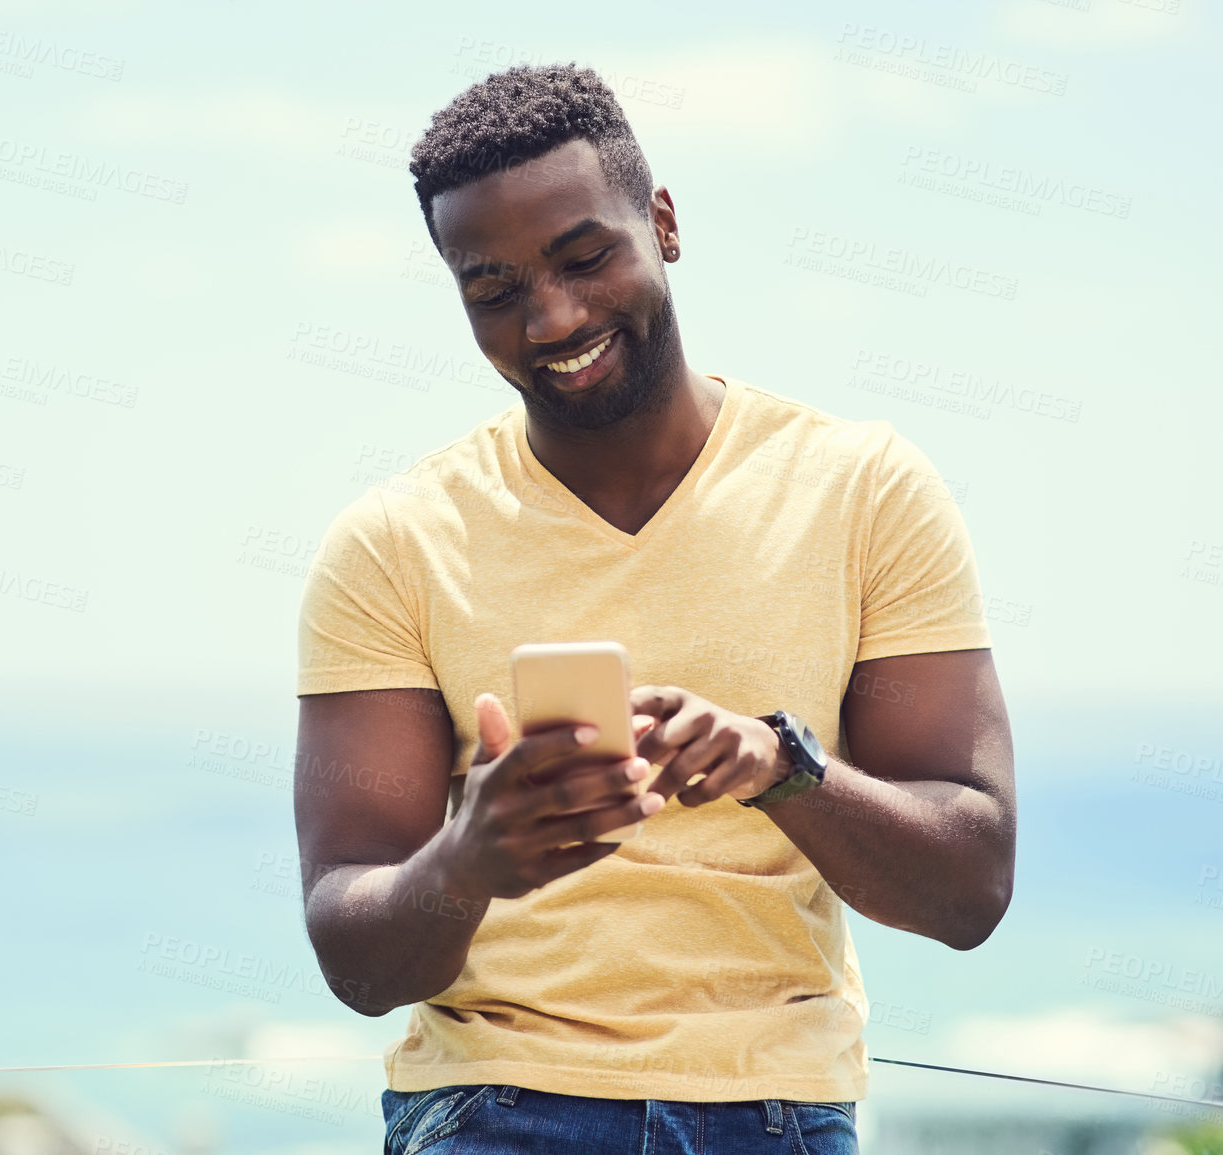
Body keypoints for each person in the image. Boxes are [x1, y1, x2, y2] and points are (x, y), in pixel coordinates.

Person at [292, 63, 1015, 1154]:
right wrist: (471, 857)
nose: (554, 317)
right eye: (494, 291)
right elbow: (356, 965)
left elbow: (970, 890)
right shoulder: (393, 543)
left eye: (586, 258)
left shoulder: (865, 490)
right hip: (492, 1110)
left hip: (776, 1118)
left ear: (663, 224)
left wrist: (780, 769)